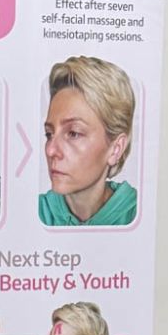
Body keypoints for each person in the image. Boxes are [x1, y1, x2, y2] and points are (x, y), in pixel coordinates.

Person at [39, 56, 137, 227]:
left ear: (116, 148)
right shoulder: (37, 210)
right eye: (49, 134)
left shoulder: (140, 213)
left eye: (73, 133)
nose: (50, 150)